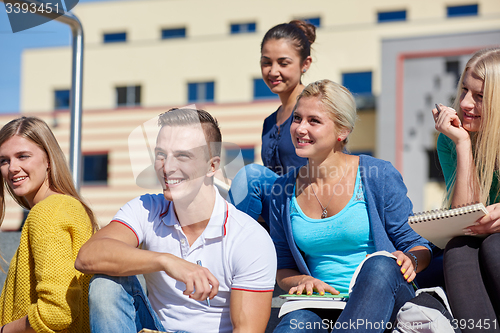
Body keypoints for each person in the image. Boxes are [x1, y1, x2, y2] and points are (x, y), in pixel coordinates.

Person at [75, 108, 277, 333]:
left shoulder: (248, 238)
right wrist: (167, 261)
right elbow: (88, 256)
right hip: (155, 327)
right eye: (161, 154)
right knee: (105, 285)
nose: (167, 167)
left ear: (212, 166)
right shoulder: (147, 208)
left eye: (182, 156)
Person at [270, 79, 433, 333]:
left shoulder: (377, 175)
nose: (300, 128)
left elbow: (418, 245)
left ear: (342, 131)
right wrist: (302, 279)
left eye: (313, 121)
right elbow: (283, 266)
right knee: (294, 327)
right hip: (320, 305)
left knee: (379, 264)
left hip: (385, 297)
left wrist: (409, 258)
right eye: (297, 118)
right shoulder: (282, 191)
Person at [0, 116, 98, 333]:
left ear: (49, 160)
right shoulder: (66, 206)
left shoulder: (49, 212)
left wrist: (4, 330)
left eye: (22, 156)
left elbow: (56, 312)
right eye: (4, 160)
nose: (12, 168)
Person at [432, 47, 500, 333]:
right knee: (458, 249)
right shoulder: (450, 141)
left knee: (495, 246)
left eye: (480, 97)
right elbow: (463, 216)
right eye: (463, 91)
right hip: (477, 242)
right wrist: (462, 144)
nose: (466, 103)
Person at [228, 20, 315, 223]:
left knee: (251, 175)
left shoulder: (315, 108)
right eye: (266, 62)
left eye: (283, 63)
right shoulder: (269, 122)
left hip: (312, 204)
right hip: (281, 210)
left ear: (305, 64)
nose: (273, 71)